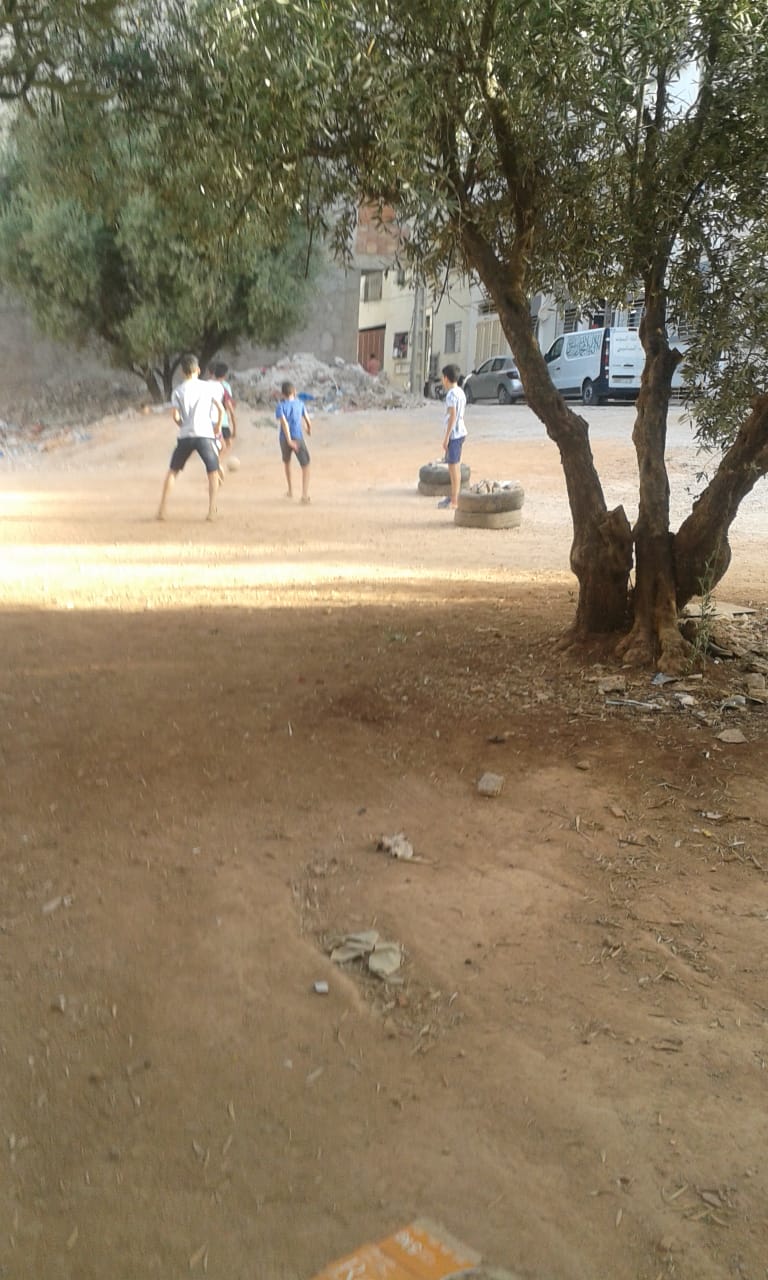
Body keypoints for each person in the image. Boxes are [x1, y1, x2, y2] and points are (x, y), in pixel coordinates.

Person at [157, 353, 223, 522]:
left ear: (182, 372)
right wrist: (216, 426)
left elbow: (175, 416)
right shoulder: (208, 388)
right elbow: (220, 409)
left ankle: (162, 509)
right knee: (213, 472)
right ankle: (212, 510)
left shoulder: (178, 391)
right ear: (198, 370)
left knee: (173, 470)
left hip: (186, 435)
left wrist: (183, 425)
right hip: (205, 434)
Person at [275, 380, 312, 503]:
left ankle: (290, 490)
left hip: (284, 439)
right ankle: (304, 495)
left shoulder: (280, 406)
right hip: (297, 437)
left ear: (282, 394)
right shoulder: (300, 404)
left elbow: (284, 423)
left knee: (287, 462)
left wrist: (288, 440)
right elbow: (307, 419)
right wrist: (308, 429)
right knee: (305, 465)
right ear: (294, 392)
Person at [438, 363, 467, 510]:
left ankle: (454, 500)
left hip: (454, 434)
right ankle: (455, 495)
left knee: (453, 467)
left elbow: (452, 416)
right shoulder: (461, 392)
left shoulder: (450, 395)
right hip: (461, 432)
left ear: (446, 378)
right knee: (456, 467)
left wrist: (446, 437)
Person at [208, 360, 237, 473]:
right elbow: (229, 406)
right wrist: (234, 427)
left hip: (208, 421)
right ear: (224, 375)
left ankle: (216, 464)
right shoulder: (224, 387)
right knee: (225, 445)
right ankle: (215, 466)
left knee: (221, 445)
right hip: (220, 421)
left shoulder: (205, 384)